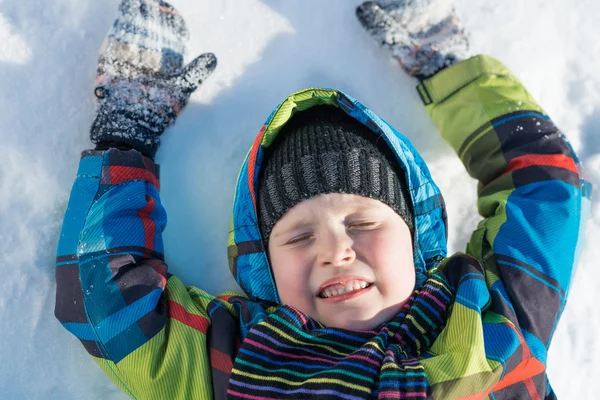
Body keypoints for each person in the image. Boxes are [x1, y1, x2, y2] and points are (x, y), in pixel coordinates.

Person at [54, 0, 591, 398]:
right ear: (265, 263)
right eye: (298, 235)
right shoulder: (232, 358)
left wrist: (447, 66)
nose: (335, 250)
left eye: (361, 220)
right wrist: (126, 136)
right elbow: (109, 304)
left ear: (416, 236)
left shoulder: (492, 316)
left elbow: (543, 189)